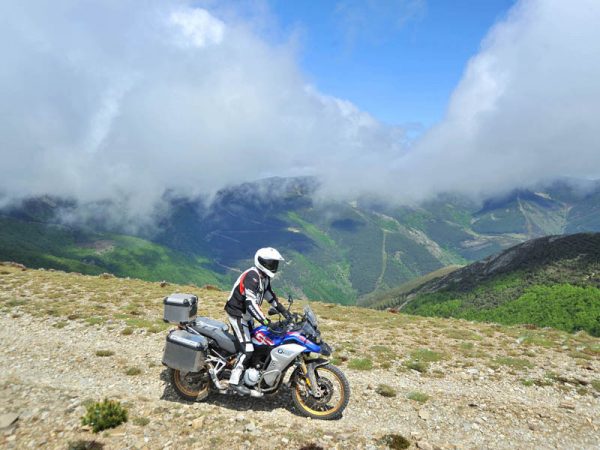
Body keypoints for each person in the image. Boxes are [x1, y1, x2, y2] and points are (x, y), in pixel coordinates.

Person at [224, 247, 290, 395]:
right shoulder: (252, 277)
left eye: (274, 263)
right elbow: (250, 303)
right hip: (237, 314)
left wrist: (286, 313)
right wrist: (266, 322)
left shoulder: (264, 278)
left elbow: (270, 296)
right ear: (262, 263)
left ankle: (251, 373)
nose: (274, 266)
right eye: (271, 263)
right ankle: (234, 381)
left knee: (258, 342)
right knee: (247, 348)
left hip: (246, 316)